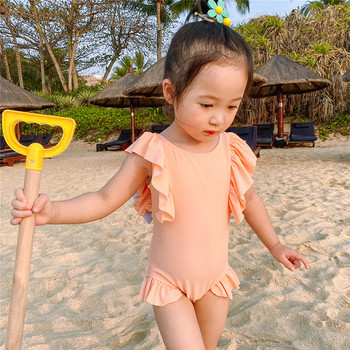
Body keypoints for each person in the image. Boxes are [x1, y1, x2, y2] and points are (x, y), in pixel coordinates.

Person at [10, 20, 309, 350]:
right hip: (170, 284)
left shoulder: (231, 148)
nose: (219, 118)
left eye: (232, 106)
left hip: (216, 280)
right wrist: (53, 211)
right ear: (171, 92)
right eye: (207, 104)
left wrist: (275, 245)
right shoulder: (152, 152)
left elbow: (249, 199)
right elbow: (105, 198)